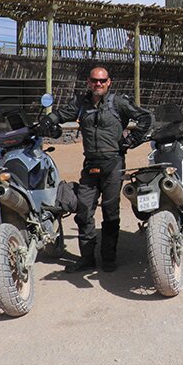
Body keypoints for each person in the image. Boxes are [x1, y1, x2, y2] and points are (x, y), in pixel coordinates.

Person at [40, 66, 152, 273]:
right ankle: (87, 259)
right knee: (83, 211)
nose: (98, 84)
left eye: (102, 81)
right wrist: (48, 120)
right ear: (88, 82)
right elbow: (61, 114)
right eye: (94, 81)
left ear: (109, 82)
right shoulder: (81, 103)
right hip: (90, 164)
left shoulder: (118, 102)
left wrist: (131, 141)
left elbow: (146, 118)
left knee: (110, 212)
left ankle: (109, 258)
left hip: (113, 163)